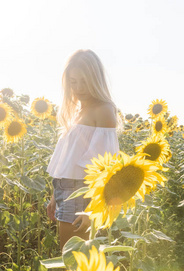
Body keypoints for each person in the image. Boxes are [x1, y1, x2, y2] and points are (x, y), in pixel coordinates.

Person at [46, 49, 121, 250]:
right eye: (73, 81)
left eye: (84, 81)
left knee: (73, 259)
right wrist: (55, 195)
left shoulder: (103, 110)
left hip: (82, 194)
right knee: (70, 256)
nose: (78, 87)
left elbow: (105, 167)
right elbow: (68, 161)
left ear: (96, 79)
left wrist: (92, 210)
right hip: (66, 191)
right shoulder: (78, 111)